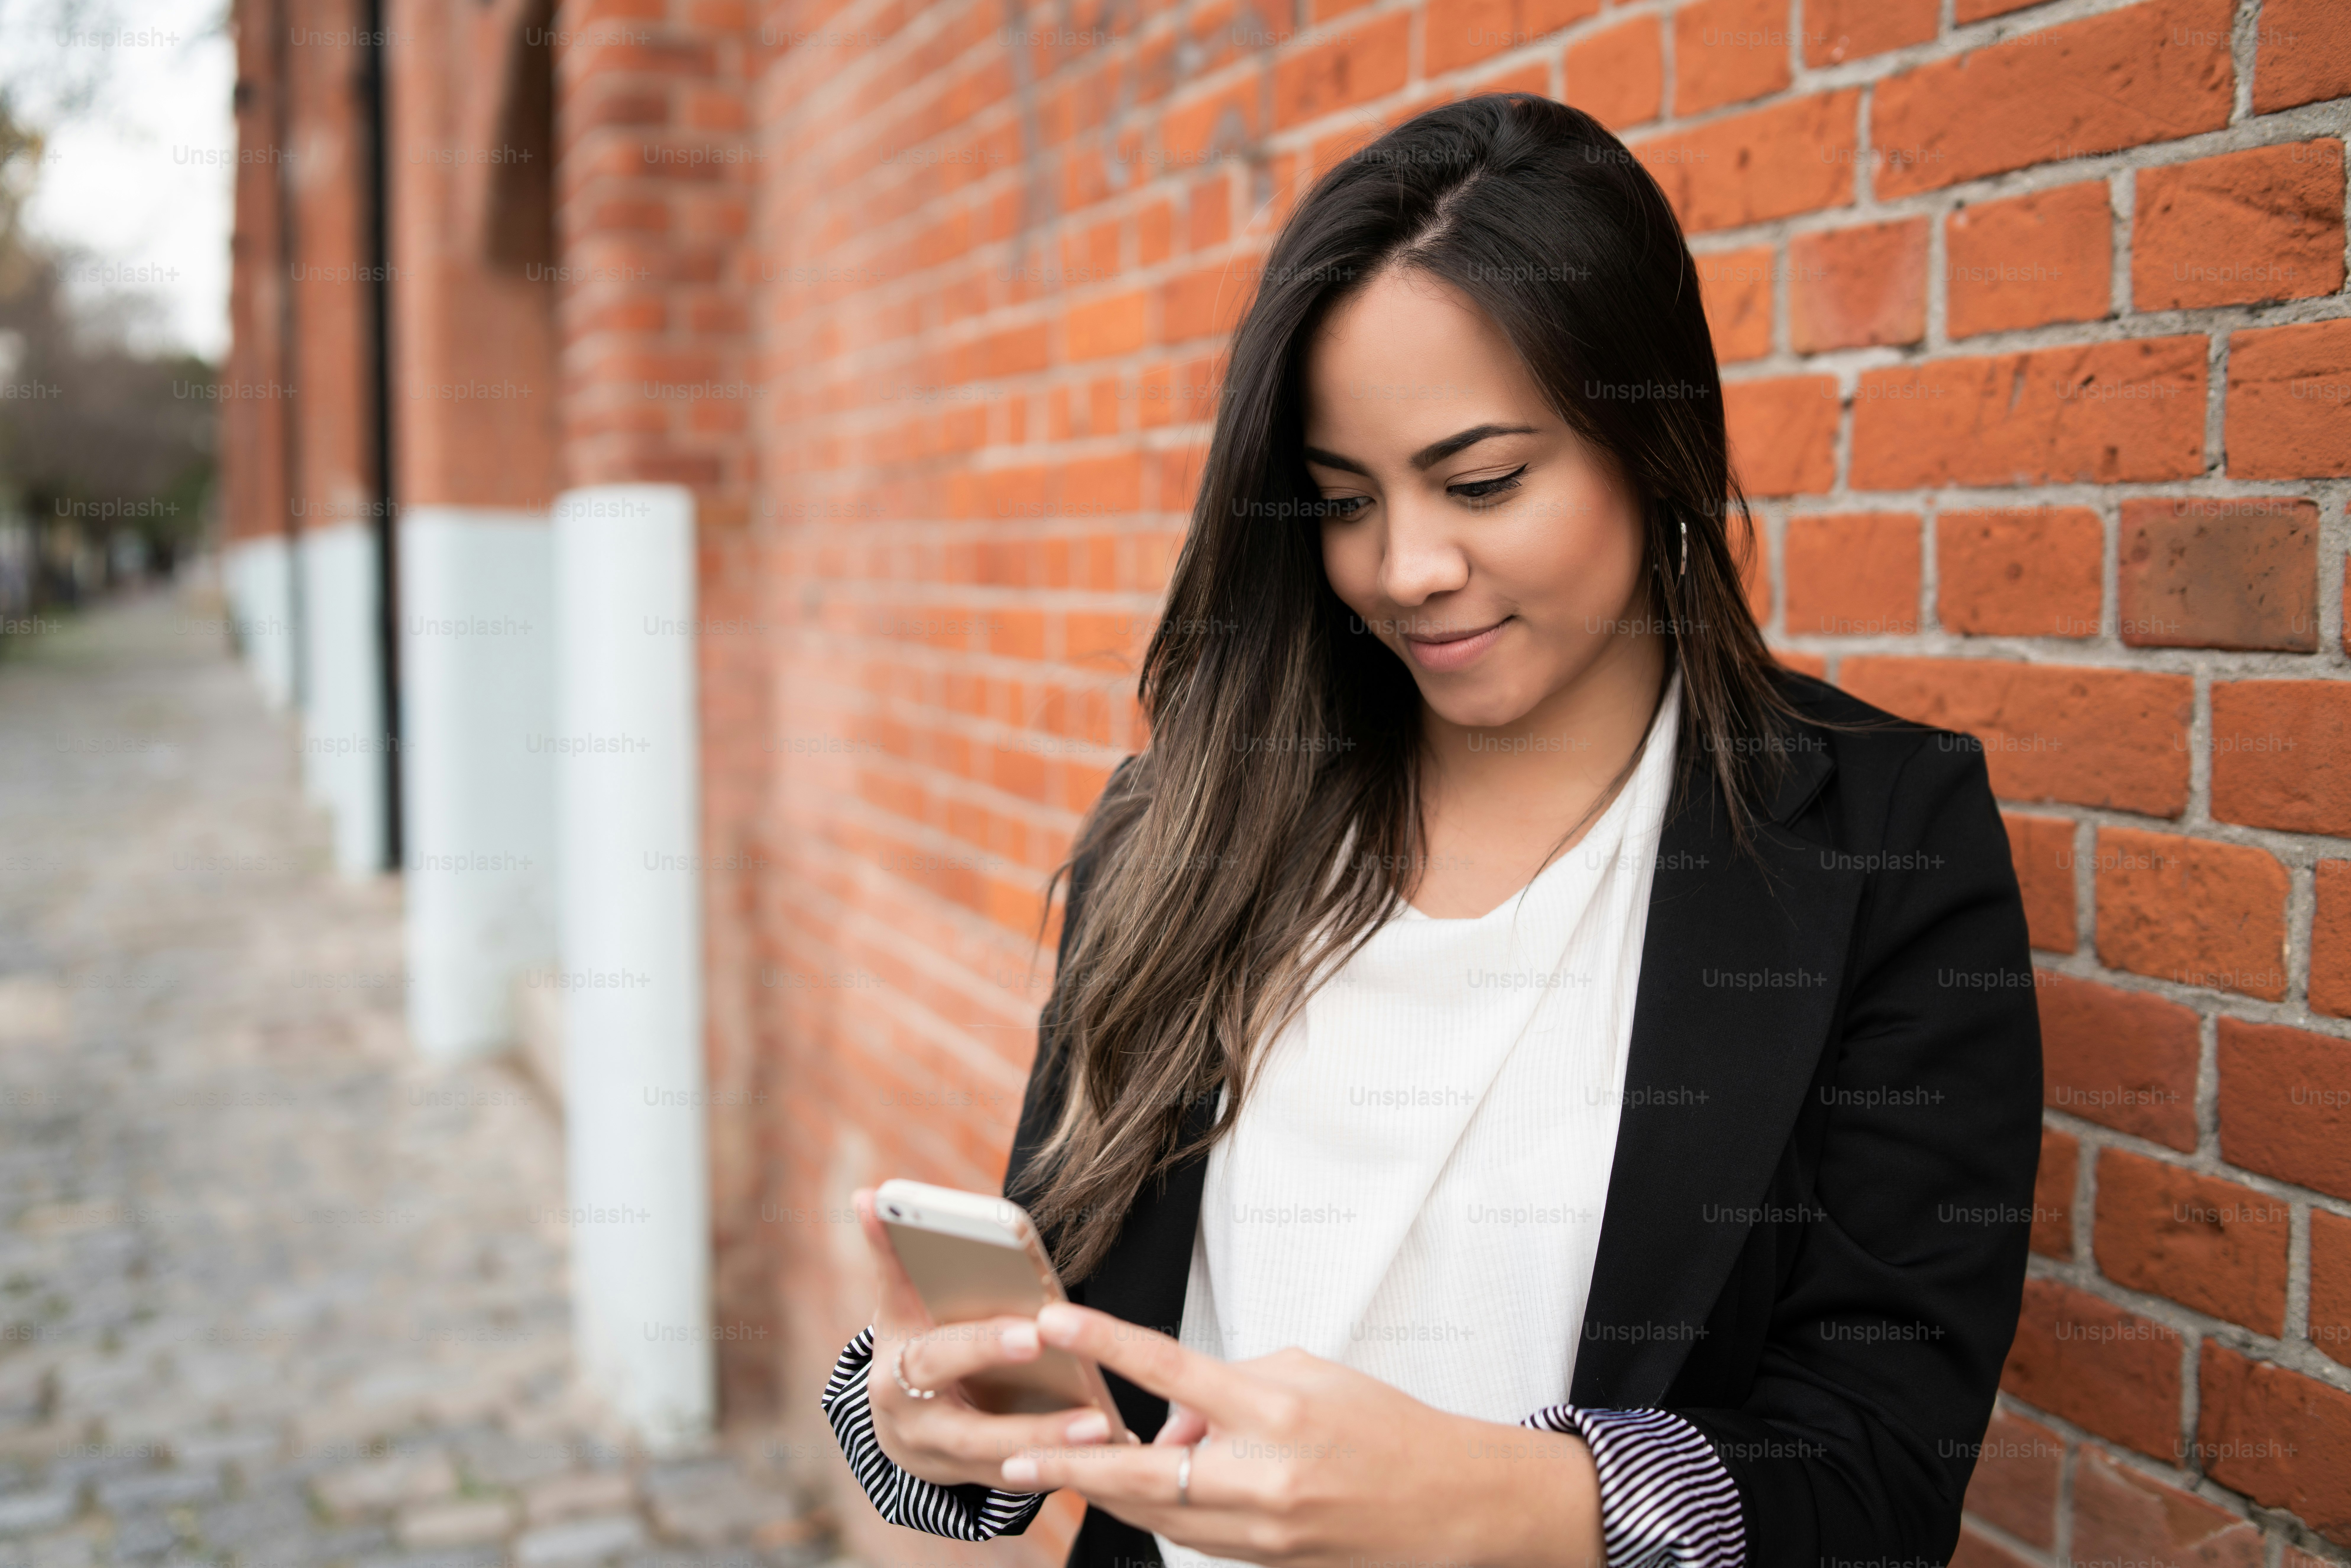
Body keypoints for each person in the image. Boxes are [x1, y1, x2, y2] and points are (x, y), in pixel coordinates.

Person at [820, 91, 2041, 1568]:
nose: (1405, 569)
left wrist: (1497, 1503)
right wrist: (917, 1419)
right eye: (1342, 503)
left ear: (1648, 442)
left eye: (1481, 482)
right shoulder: (1187, 820)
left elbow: (1873, 1480)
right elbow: (1062, 1335)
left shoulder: (1879, 842)